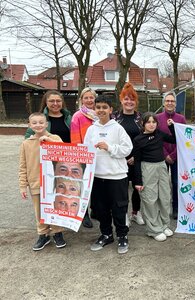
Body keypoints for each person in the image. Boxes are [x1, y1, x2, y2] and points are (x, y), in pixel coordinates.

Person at [84, 95, 133, 254]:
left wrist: (109, 147)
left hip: (116, 176)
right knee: (100, 209)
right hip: (97, 176)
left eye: (105, 107)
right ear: (94, 109)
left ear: (111, 110)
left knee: (119, 208)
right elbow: (85, 151)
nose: (101, 110)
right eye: (98, 107)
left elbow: (127, 149)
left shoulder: (117, 128)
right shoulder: (91, 129)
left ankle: (122, 236)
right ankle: (106, 234)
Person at [19, 112, 66, 251]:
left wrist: (50, 141)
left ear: (46, 124)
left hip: (54, 183)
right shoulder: (26, 144)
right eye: (34, 123)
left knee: (54, 208)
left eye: (41, 122)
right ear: (29, 125)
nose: (38, 125)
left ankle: (57, 232)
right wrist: (23, 186)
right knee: (39, 211)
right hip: (35, 183)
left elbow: (65, 151)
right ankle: (43, 234)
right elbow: (23, 166)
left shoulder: (55, 138)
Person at [133, 113, 176, 242]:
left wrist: (171, 127)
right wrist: (138, 181)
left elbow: (174, 139)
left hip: (161, 167)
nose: (151, 124)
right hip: (147, 169)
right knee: (150, 199)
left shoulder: (159, 134)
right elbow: (137, 162)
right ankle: (154, 229)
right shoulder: (138, 140)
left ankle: (164, 225)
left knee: (164, 197)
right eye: (148, 122)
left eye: (154, 122)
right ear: (143, 124)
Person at [114, 83, 145, 226]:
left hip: (137, 159)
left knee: (137, 188)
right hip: (120, 160)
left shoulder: (140, 118)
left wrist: (135, 157)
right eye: (126, 99)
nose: (129, 102)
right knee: (122, 189)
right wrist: (123, 157)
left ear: (136, 101)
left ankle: (135, 213)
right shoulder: (114, 118)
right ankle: (124, 214)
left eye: (132, 99)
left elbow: (144, 139)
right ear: (121, 100)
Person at [70, 87, 98, 228]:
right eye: (85, 98)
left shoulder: (99, 115)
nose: (88, 100)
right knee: (84, 186)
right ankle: (84, 214)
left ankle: (95, 211)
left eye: (91, 97)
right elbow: (75, 139)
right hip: (84, 156)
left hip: (98, 155)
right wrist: (80, 157)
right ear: (82, 100)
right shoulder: (78, 116)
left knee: (96, 186)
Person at [157, 92, 186, 219]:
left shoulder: (181, 118)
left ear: (175, 103)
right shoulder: (157, 118)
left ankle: (176, 208)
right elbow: (157, 138)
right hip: (161, 156)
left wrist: (173, 155)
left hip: (177, 156)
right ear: (164, 103)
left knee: (176, 182)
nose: (170, 103)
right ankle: (161, 208)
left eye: (172, 101)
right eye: (167, 101)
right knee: (161, 184)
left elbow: (183, 139)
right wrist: (165, 155)